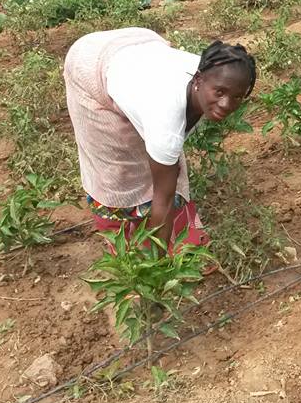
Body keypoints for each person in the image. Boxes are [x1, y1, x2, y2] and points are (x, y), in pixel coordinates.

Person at [63, 28, 256, 253]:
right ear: (197, 79)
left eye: (237, 97)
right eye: (219, 93)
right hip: (90, 64)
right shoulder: (165, 116)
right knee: (117, 171)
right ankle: (125, 243)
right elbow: (164, 197)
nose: (226, 104)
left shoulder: (218, 72)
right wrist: (158, 263)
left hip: (139, 51)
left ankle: (174, 238)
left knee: (163, 162)